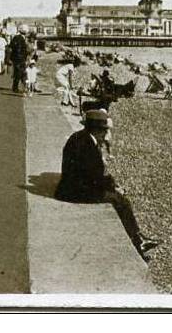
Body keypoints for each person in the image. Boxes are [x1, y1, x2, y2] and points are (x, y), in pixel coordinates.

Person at [54, 108, 161, 261]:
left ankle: (138, 238)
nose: (105, 135)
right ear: (96, 130)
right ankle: (138, 241)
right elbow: (95, 178)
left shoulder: (80, 138)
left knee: (117, 196)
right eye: (104, 131)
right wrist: (114, 187)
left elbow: (93, 174)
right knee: (120, 200)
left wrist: (111, 183)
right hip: (74, 191)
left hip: (74, 185)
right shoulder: (88, 146)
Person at [9, 24, 30, 93]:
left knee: (19, 73)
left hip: (17, 58)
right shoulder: (20, 38)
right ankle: (16, 88)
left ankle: (18, 87)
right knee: (19, 73)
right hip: (19, 58)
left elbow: (11, 46)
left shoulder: (16, 37)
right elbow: (19, 49)